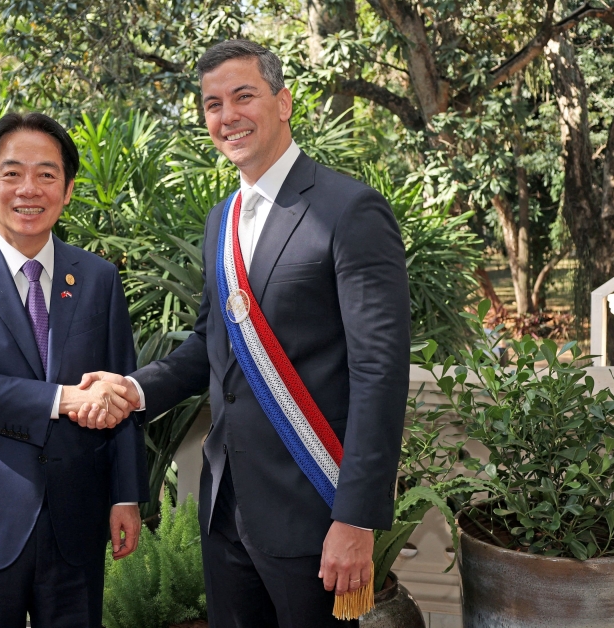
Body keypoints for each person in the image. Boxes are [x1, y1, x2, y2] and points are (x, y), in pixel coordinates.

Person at [76, 40, 411, 628]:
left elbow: (379, 373)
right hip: (226, 506)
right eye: (212, 104)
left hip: (314, 508)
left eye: (243, 96)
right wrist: (134, 387)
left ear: (282, 103)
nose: (227, 115)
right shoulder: (221, 219)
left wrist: (357, 519)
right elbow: (211, 345)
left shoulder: (350, 209)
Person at [0, 112, 148, 628]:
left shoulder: (99, 278)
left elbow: (123, 389)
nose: (29, 189)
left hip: (77, 514)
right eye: (12, 173)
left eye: (47, 174)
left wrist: (126, 495)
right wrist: (61, 399)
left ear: (66, 189)